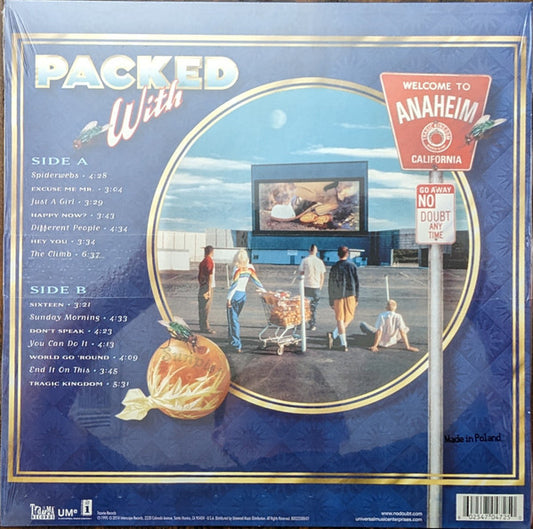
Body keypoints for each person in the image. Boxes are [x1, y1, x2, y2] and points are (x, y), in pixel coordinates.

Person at [226, 249, 266, 352]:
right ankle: (232, 341)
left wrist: (228, 298)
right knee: (234, 319)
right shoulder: (250, 268)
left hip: (235, 295)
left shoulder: (237, 269)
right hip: (243, 295)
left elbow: (234, 285)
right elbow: (256, 281)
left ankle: (236, 344)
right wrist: (264, 291)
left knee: (233, 320)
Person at [327, 246, 359, 352]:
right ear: (348, 254)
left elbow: (330, 284)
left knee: (340, 319)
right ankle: (337, 337)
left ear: (338, 254)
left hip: (337, 296)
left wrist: (331, 300)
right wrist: (357, 297)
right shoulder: (352, 266)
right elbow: (357, 283)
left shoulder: (334, 267)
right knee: (349, 318)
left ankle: (339, 339)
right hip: (351, 295)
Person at [298, 244, 326, 331]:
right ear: (316, 251)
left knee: (304, 306)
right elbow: (322, 276)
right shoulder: (320, 262)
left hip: (306, 286)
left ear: (309, 250)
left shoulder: (305, 260)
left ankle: (302, 323)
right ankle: (312, 324)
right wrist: (320, 286)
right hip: (316, 286)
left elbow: (301, 272)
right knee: (313, 307)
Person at [197, 245, 216, 334]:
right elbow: (210, 275)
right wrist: (209, 290)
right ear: (212, 252)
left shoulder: (203, 261)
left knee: (201, 307)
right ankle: (206, 327)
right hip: (207, 286)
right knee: (206, 307)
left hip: (202, 285)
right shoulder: (209, 261)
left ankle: (202, 325)